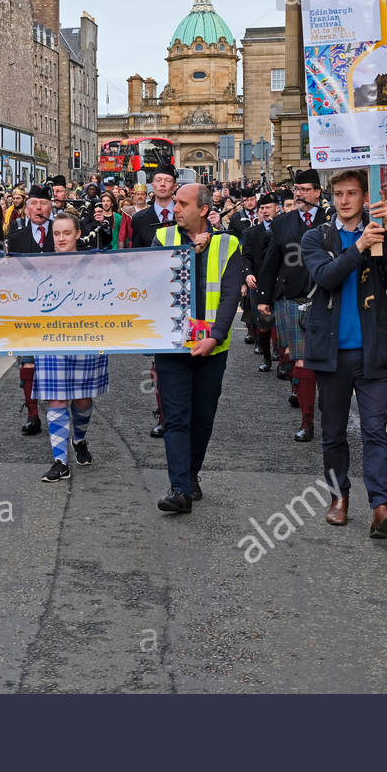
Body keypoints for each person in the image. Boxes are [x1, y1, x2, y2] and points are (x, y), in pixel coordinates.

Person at [302, 169, 387, 537]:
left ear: (365, 197)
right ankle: (339, 498)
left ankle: (381, 506)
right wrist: (360, 246)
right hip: (332, 352)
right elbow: (326, 276)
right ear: (331, 198)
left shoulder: (379, 232)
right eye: (338, 194)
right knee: (333, 432)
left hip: (373, 352)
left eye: (352, 193)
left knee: (374, 430)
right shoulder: (315, 237)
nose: (345, 200)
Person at [151, 183, 243, 513]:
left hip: (212, 348)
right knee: (176, 417)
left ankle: (190, 475)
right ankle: (179, 489)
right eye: (174, 201)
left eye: (181, 203)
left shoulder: (229, 243)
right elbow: (149, 284)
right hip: (172, 346)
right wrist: (189, 253)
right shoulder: (163, 240)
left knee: (203, 418)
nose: (173, 207)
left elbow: (232, 295)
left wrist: (215, 337)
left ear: (203, 210)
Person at [35, 210, 108, 483]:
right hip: (51, 338)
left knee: (82, 399)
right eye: (56, 233)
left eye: (67, 233)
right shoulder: (40, 263)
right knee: (56, 398)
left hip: (87, 337)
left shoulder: (94, 263)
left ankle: (79, 439)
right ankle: (59, 461)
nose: (61, 238)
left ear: (78, 234)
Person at [259, 168, 329, 442]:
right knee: (300, 359)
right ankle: (307, 421)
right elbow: (271, 261)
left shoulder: (330, 219)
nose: (299, 195)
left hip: (326, 298)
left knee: (324, 361)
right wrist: (264, 298)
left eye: (304, 190)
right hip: (290, 297)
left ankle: (324, 406)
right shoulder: (282, 223)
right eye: (296, 190)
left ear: (317, 192)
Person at [6, 183, 56, 436]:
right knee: (28, 361)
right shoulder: (16, 237)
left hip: (59, 307)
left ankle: (59, 410)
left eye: (43, 204)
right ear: (26, 210)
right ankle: (33, 414)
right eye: (34, 204)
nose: (39, 208)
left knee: (56, 360)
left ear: (51, 207)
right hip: (28, 307)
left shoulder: (60, 233)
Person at [240, 191, 280, 372]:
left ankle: (284, 361)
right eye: (261, 208)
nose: (264, 211)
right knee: (263, 325)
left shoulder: (284, 229)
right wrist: (247, 274)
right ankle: (266, 356)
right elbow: (246, 257)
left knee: (281, 324)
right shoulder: (250, 233)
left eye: (268, 207)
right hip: (259, 283)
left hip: (281, 283)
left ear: (276, 209)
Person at [130, 163, 178, 248]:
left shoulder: (185, 216)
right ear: (152, 186)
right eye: (158, 180)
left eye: (167, 180)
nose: (162, 184)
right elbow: (137, 254)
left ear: (174, 187)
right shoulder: (139, 219)